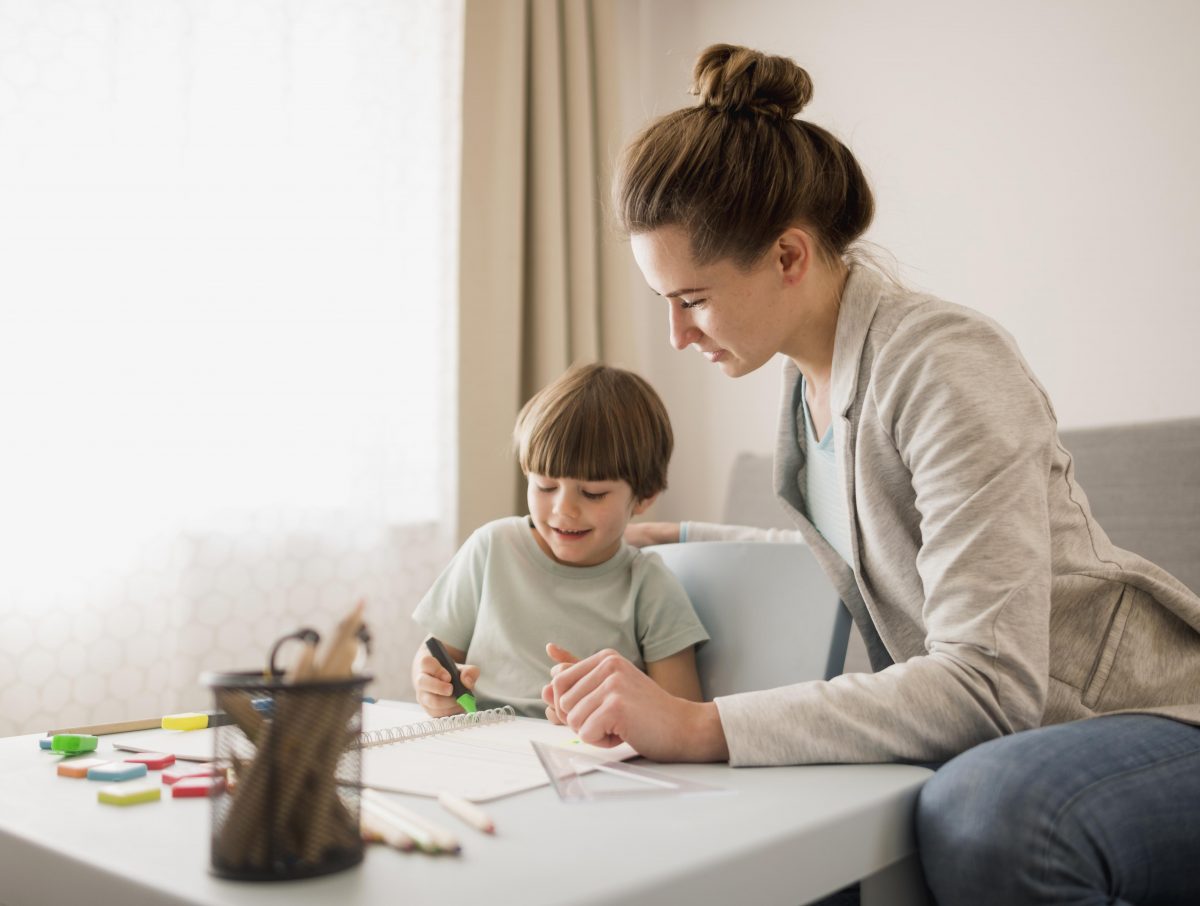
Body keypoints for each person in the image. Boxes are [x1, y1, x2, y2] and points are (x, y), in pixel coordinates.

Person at [541, 44, 1200, 905]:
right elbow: (886, 543)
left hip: (1141, 719)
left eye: (692, 299)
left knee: (990, 809)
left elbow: (989, 683)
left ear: (788, 257)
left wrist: (701, 726)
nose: (677, 337)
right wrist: (690, 536)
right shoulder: (803, 386)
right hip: (1028, 726)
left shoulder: (946, 364)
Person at [411, 362, 708, 720]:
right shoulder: (491, 547)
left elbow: (684, 714)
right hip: (480, 742)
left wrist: (607, 712)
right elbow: (434, 657)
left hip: (584, 757)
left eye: (593, 493)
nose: (563, 510)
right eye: (545, 486)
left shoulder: (649, 586)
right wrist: (433, 687)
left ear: (644, 497)